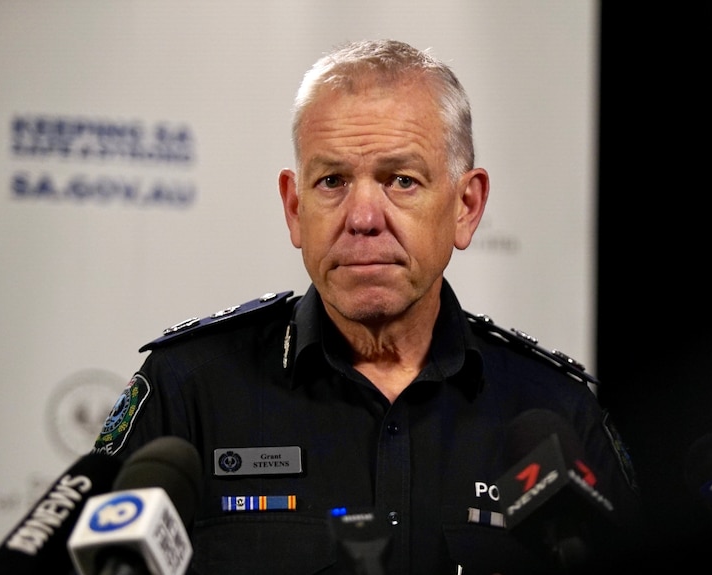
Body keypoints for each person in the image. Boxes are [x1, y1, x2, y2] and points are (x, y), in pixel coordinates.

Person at [92, 39, 641, 574]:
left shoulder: (556, 413)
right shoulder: (188, 390)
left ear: (466, 206)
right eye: (331, 181)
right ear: (294, 206)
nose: (362, 217)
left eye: (401, 180)